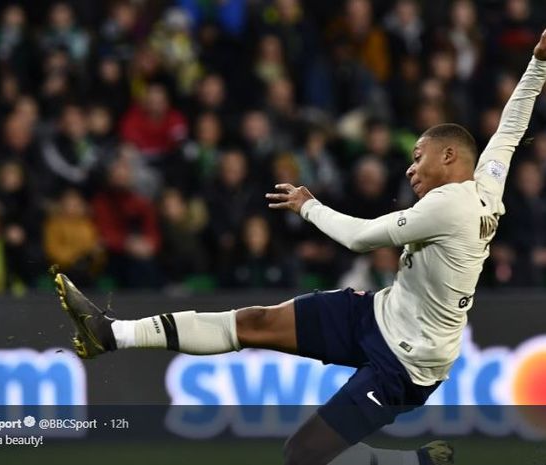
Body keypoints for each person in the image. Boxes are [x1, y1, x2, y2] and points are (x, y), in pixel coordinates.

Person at [52, 29, 546, 465]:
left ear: (449, 155)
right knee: (255, 323)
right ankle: (111, 335)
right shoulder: (488, 183)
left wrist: (308, 204)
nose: (411, 169)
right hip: (377, 315)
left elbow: (357, 238)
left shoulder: (448, 208)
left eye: (418, 159)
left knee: (302, 454)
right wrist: (539, 62)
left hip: (407, 365)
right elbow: (512, 124)